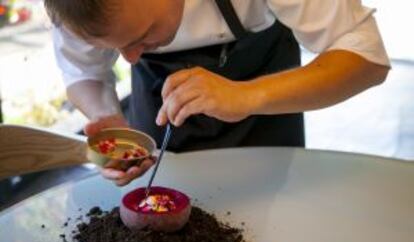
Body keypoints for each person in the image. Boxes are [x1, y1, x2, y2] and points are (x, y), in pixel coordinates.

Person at [44, 0, 390, 186]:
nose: (131, 58)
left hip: (263, 96)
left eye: (142, 35)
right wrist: (107, 115)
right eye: (115, 46)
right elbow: (83, 70)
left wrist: (248, 96)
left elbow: (365, 56)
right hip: (154, 98)